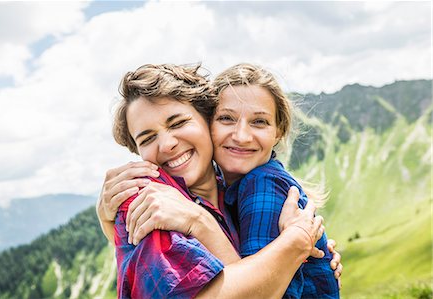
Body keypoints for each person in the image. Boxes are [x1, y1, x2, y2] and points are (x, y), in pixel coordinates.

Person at [97, 63, 342, 298]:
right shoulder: (152, 204)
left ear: (207, 120)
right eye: (147, 138)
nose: (168, 144)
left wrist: (308, 261)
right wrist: (295, 242)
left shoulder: (235, 193)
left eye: (179, 123)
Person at [208, 63, 340, 298]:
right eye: (227, 118)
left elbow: (258, 291)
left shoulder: (261, 183)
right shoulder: (226, 185)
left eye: (259, 122)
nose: (241, 136)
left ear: (278, 131)